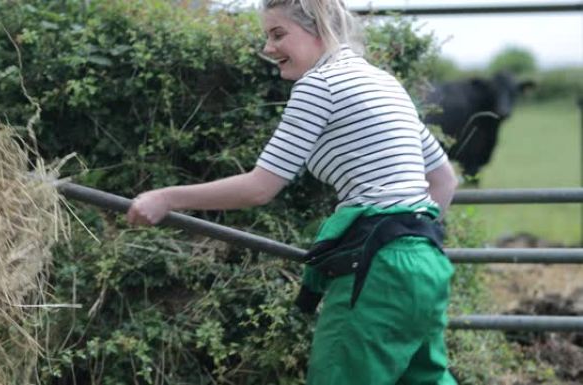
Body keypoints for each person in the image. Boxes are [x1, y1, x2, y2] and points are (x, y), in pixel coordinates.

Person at [127, 0, 459, 384]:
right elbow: (443, 181)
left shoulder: (320, 84)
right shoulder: (383, 81)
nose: (268, 48)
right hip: (426, 261)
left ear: (317, 27)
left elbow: (259, 188)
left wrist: (167, 197)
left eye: (278, 34)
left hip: (377, 268)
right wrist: (407, 242)